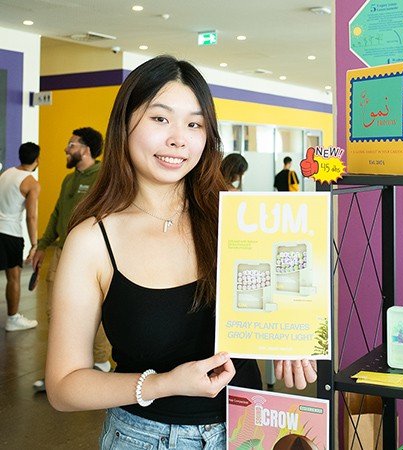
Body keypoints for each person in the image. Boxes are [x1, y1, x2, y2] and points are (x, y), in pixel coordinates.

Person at [45, 55, 317, 449]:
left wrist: (291, 338)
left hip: (250, 428)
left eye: (194, 124)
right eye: (160, 119)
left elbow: (283, 303)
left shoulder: (239, 218)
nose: (178, 139)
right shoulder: (92, 239)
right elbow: (63, 386)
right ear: (125, 123)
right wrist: (164, 383)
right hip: (146, 438)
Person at [31, 127, 111, 391]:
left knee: (96, 310)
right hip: (62, 252)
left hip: (92, 256)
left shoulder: (103, 176)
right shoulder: (69, 179)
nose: (67, 149)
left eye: (71, 144)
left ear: (85, 150)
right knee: (56, 311)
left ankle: (100, 362)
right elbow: (56, 214)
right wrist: (42, 246)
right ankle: (60, 370)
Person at [0, 142, 41, 331]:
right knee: (13, 277)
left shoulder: (6, 174)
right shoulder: (31, 183)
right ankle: (12, 318)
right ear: (37, 159)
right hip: (10, 235)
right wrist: (34, 244)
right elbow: (31, 216)